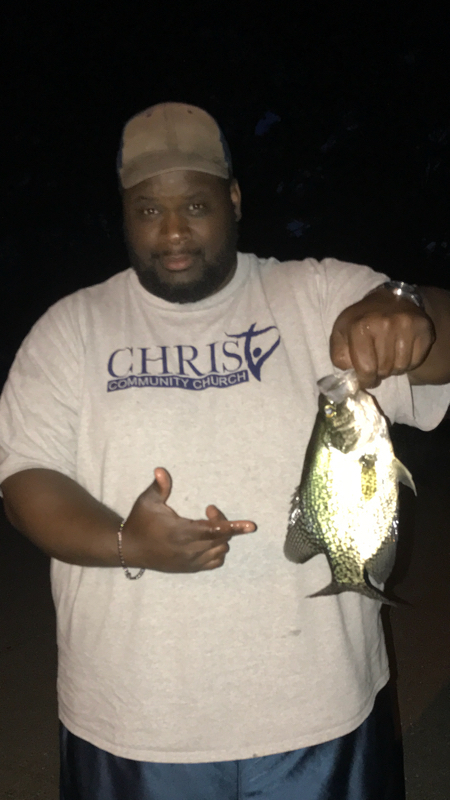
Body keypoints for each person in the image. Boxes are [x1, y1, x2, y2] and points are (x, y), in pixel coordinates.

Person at [1, 102, 450, 800]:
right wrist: (126, 542)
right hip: (133, 721)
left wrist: (408, 306)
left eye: (195, 205)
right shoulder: (70, 328)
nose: (173, 232)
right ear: (124, 215)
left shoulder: (317, 292)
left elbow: (436, 342)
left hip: (320, 706)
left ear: (234, 199)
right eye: (148, 210)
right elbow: (25, 477)